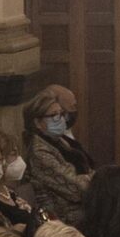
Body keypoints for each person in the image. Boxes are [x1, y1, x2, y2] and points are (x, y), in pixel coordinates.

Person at [22, 85, 96, 221]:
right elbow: (76, 188)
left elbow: (89, 170)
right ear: (37, 122)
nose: (62, 119)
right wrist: (92, 178)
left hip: (83, 208)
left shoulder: (62, 141)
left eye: (62, 114)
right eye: (54, 116)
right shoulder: (39, 152)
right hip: (64, 217)